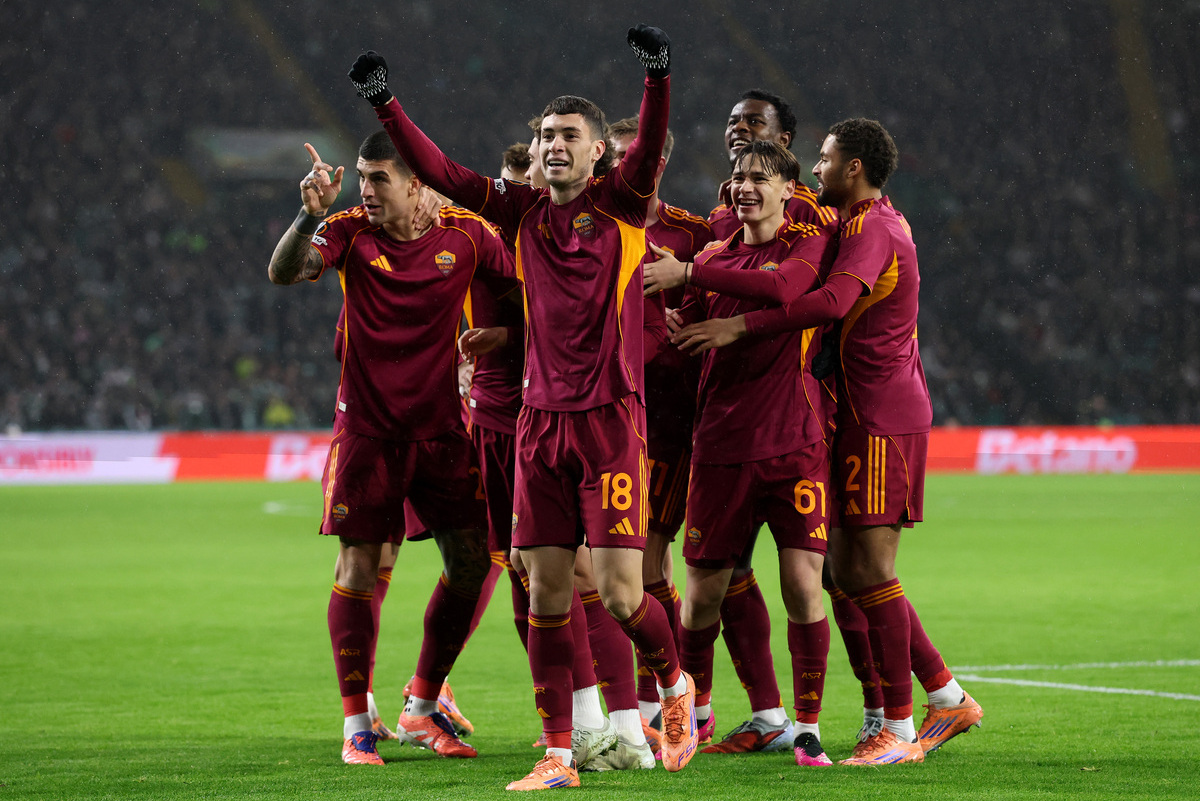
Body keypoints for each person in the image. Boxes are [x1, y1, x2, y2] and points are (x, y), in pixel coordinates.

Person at [348, 26, 699, 790]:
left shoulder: (625, 207)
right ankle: (559, 753)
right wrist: (386, 104)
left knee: (618, 590)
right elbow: (442, 169)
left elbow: (651, 144)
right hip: (538, 424)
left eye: (569, 135)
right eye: (545, 137)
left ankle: (674, 684)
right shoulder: (520, 214)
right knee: (541, 588)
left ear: (598, 151)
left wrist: (657, 79)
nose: (553, 147)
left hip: (610, 421)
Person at [673, 118, 984, 765]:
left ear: (853, 168)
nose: (816, 171)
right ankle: (928, 698)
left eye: (822, 160)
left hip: (878, 415)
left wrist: (737, 327)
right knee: (846, 571)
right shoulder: (844, 225)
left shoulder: (871, 229)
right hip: (849, 413)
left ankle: (900, 726)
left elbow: (829, 302)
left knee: (866, 570)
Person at [266, 132, 512, 766]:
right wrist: (309, 215)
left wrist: (496, 339)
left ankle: (424, 701)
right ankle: (356, 724)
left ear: (417, 184)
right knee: (357, 567)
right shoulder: (347, 230)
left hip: (442, 432)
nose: (366, 191)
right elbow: (284, 272)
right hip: (367, 434)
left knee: (472, 563)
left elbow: (524, 301)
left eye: (380, 179)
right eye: (364, 178)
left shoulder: (468, 235)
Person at [646, 140, 836, 767]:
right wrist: (677, 326)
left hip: (793, 444)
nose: (745, 186)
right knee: (701, 595)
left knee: (802, 584)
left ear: (788, 187)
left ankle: (805, 727)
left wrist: (690, 275)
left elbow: (785, 291)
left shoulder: (805, 243)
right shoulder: (713, 255)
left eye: (760, 177)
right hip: (721, 445)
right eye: (737, 177)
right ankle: (694, 713)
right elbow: (687, 339)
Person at [607, 116, 713, 741]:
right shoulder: (592, 227)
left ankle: (661, 699)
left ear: (656, 161)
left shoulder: (693, 235)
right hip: (602, 417)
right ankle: (639, 701)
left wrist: (683, 333)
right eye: (614, 156)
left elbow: (720, 306)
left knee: (648, 563)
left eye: (631, 155)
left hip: (666, 421)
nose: (621, 166)